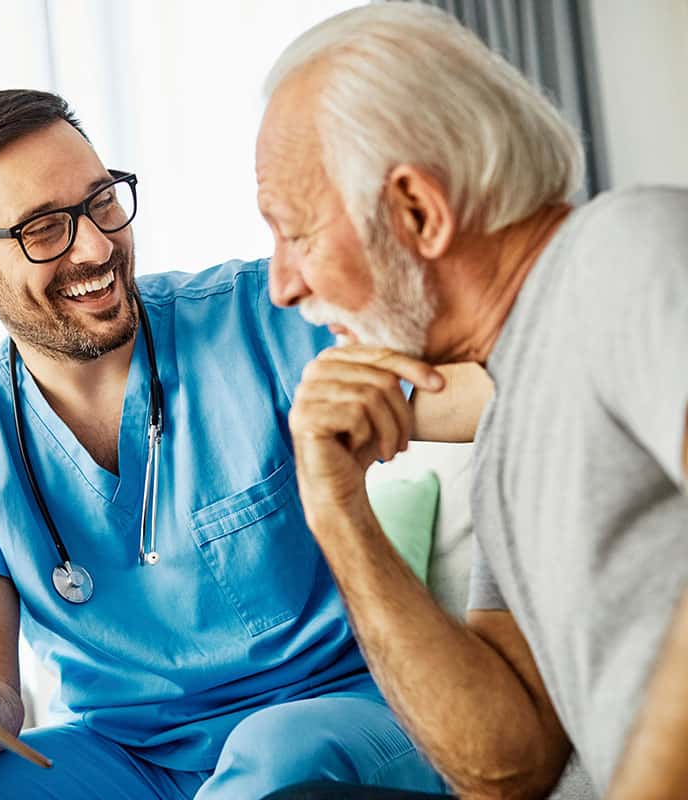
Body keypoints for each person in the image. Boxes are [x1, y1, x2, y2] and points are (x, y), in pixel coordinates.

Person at [0, 89, 474, 799]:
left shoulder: (256, 319)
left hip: (337, 715)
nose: (97, 246)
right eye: (44, 229)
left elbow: (472, 398)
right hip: (124, 757)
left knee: (274, 753)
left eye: (102, 201)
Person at [255, 5, 688, 800]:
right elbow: (505, 767)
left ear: (418, 211)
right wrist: (336, 511)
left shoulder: (621, 249)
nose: (284, 286)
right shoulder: (512, 426)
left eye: (297, 233)